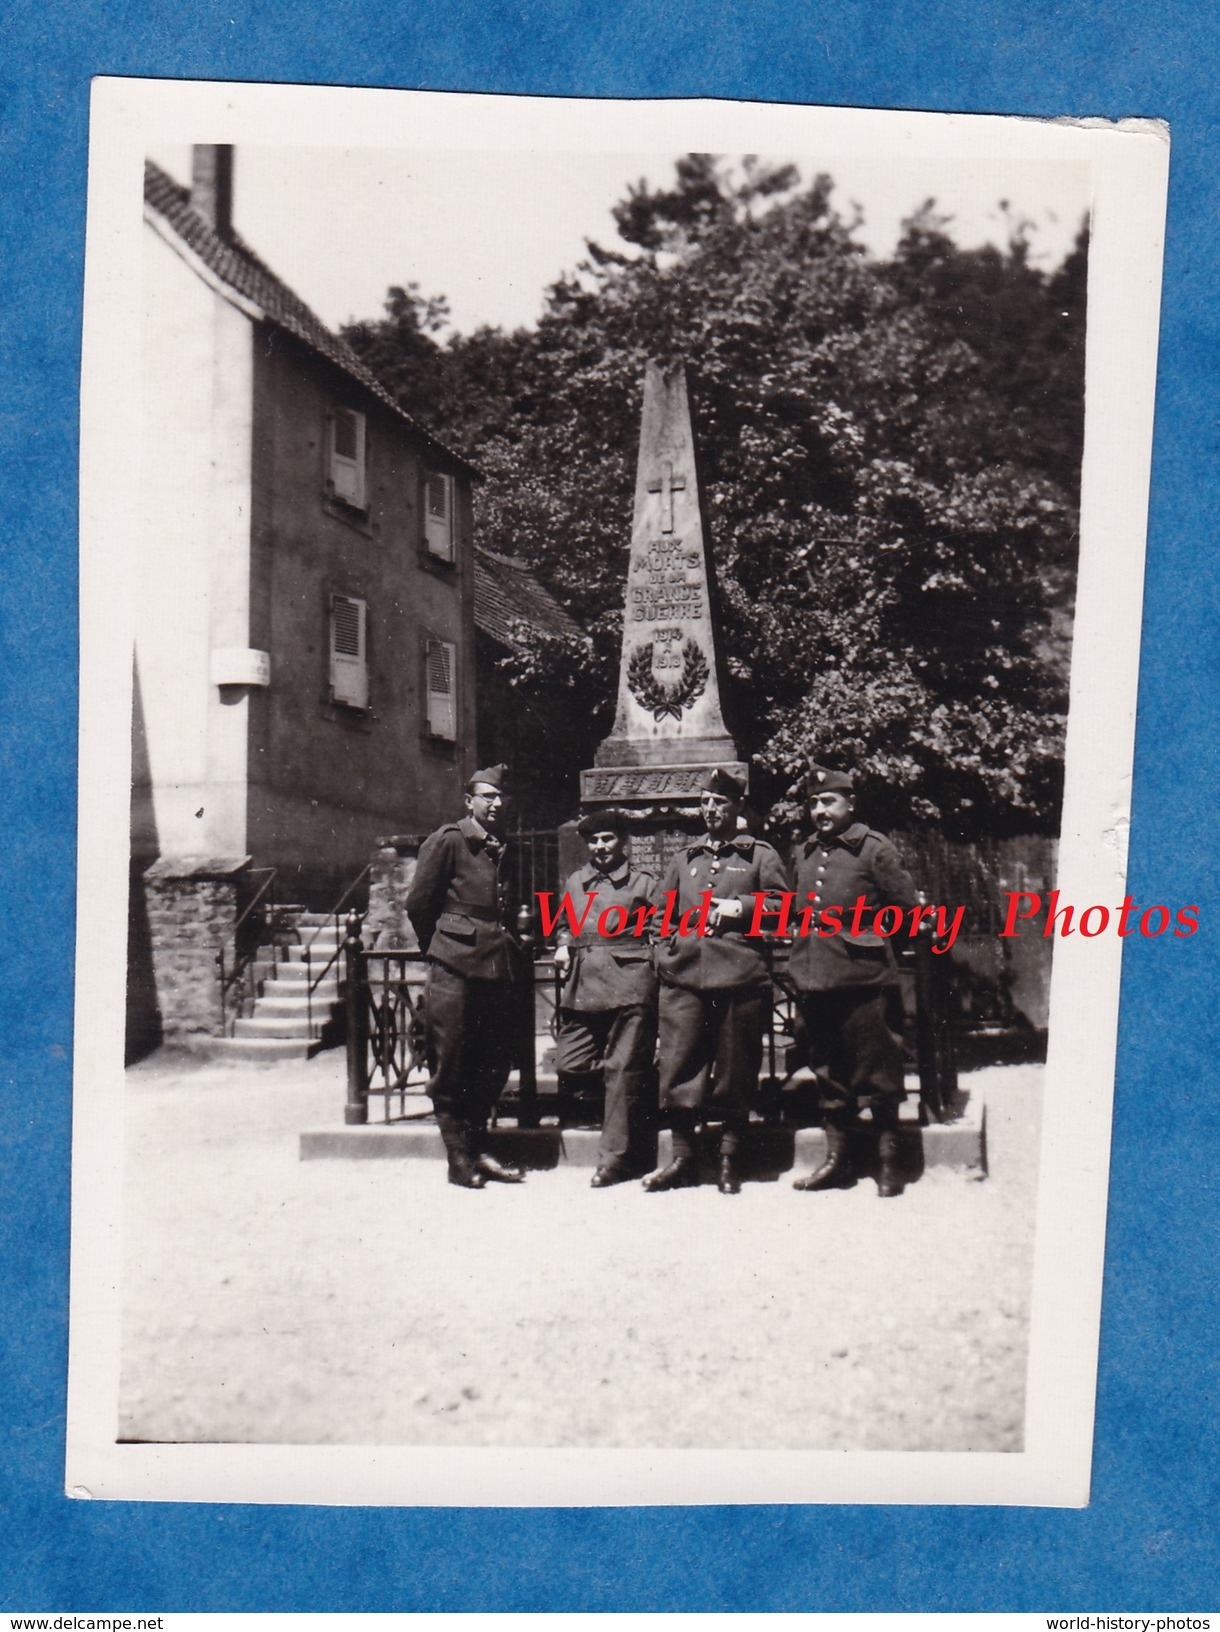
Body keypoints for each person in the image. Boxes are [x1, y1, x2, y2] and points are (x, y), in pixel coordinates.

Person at [645, 767, 789, 1195]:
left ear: (738, 806)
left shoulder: (760, 855)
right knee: (678, 1068)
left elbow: (781, 907)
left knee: (735, 1072)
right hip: (684, 978)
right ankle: (683, 1159)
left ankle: (729, 1158)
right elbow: (658, 917)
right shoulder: (683, 859)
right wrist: (663, 954)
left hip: (739, 977)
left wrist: (739, 908)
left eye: (719, 802)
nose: (710, 810)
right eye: (705, 802)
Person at [787, 765, 918, 1198]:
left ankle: (888, 1163)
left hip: (864, 980)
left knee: (878, 1072)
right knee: (829, 1074)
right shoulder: (804, 851)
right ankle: (836, 1161)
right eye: (813, 803)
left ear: (850, 804)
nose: (820, 810)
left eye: (829, 801)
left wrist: (869, 943)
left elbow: (904, 913)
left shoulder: (874, 849)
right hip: (815, 976)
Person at [406, 764, 526, 1189]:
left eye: (500, 797)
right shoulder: (450, 841)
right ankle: (458, 1157)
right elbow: (419, 903)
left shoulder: (505, 847)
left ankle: (478, 1147)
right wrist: (441, 948)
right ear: (469, 801)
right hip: (454, 966)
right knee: (451, 1059)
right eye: (487, 796)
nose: (496, 804)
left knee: (492, 1061)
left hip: (496, 966)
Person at [553, 809, 660, 1188]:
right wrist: (563, 944)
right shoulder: (576, 882)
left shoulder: (645, 883)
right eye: (594, 840)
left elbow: (662, 929)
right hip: (584, 985)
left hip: (630, 983)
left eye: (608, 839)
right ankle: (638, 1084)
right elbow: (564, 923)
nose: (600, 847)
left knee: (619, 1070)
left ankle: (614, 1160)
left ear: (623, 841)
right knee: (571, 1062)